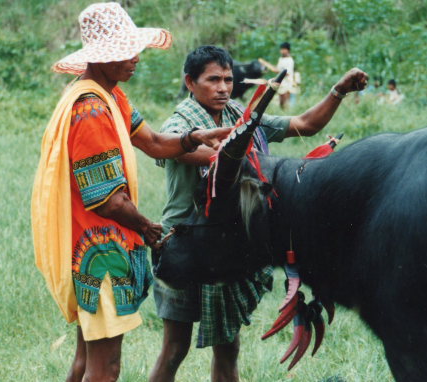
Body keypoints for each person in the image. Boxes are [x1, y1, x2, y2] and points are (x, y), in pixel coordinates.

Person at [30, 5, 230, 382]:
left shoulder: (111, 97)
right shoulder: (90, 111)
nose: (136, 58)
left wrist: (192, 138)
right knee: (106, 369)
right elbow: (107, 199)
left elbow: (154, 142)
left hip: (91, 251)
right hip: (100, 255)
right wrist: (147, 227)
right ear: (100, 56)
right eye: (125, 50)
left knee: (84, 363)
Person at [149, 45, 368, 382]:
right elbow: (218, 159)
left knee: (228, 346)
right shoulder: (179, 128)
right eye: (213, 80)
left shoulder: (241, 115)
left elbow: (306, 124)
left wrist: (337, 91)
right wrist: (242, 140)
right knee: (175, 348)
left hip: (227, 245)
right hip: (186, 244)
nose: (223, 87)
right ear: (190, 83)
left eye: (227, 79)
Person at [258, 42, 298, 109]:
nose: (282, 51)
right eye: (281, 49)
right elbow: (277, 69)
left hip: (287, 84)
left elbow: (285, 72)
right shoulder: (281, 59)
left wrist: (268, 65)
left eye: (283, 49)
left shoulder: (290, 60)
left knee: (286, 104)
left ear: (287, 50)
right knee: (281, 104)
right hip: (281, 83)